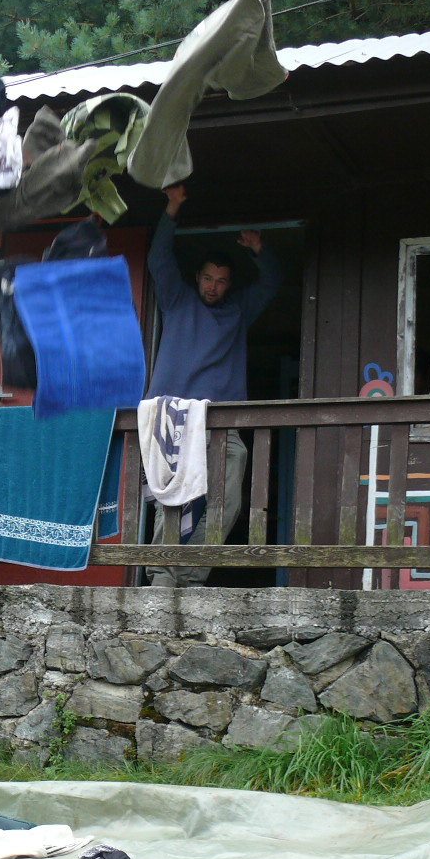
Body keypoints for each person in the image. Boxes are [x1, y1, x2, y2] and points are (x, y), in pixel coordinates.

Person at [145, 182, 282, 587]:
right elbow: (157, 259)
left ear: (229, 284)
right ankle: (162, 576)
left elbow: (273, 282)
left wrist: (260, 250)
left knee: (228, 502)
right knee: (172, 499)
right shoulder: (177, 300)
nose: (213, 286)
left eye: (221, 280)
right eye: (207, 278)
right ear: (197, 277)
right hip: (173, 416)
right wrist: (172, 208)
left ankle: (191, 575)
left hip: (223, 422)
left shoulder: (238, 311)